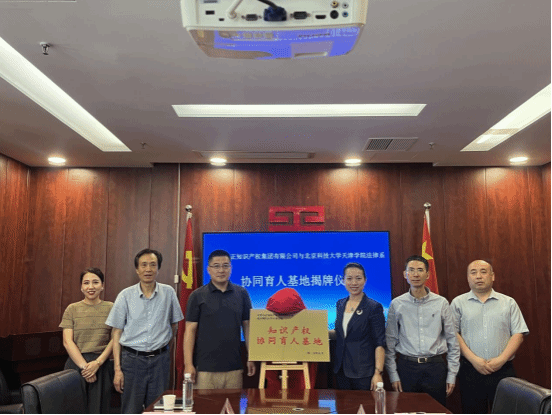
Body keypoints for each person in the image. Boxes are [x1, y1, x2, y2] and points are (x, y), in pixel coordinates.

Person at [105, 249, 184, 414]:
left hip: (160, 361)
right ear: (137, 269)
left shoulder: (169, 293)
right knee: (130, 409)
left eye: (153, 265)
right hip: (132, 361)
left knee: (159, 409)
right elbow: (116, 332)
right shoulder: (125, 296)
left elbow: (174, 326)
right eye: (144, 265)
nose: (148, 269)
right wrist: (118, 369)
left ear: (158, 268)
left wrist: (162, 347)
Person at [451, 260, 529, 414]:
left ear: (492, 276)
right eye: (473, 272)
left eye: (483, 272)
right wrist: (474, 360)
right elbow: (453, 334)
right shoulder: (458, 303)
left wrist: (501, 360)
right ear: (468, 278)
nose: (478, 276)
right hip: (470, 370)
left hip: (503, 370)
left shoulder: (508, 302)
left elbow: (518, 334)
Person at [385, 255, 460, 407]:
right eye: (411, 270)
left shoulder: (441, 303)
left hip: (435, 367)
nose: (416, 274)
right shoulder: (397, 304)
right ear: (405, 274)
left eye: (420, 270)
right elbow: (390, 341)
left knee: (435, 410)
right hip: (407, 367)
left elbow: (453, 341)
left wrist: (452, 374)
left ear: (428, 274)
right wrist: (393, 374)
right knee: (408, 410)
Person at [184, 249, 256, 389]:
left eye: (225, 266)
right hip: (205, 369)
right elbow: (190, 331)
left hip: (234, 367)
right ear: (209, 269)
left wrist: (251, 356)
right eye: (216, 266)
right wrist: (188, 364)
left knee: (233, 403)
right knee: (205, 403)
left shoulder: (241, 293)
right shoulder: (197, 296)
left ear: (231, 268)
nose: (221, 270)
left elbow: (247, 327)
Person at [60, 268, 114, 414]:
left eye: (95, 282)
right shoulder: (72, 309)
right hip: (76, 364)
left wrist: (97, 363)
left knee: (99, 409)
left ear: (102, 286)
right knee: (74, 408)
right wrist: (86, 368)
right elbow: (67, 342)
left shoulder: (111, 308)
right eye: (86, 283)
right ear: (81, 287)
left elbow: (115, 339)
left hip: (101, 365)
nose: (91, 287)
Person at [330, 262, 386, 390]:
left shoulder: (373, 307)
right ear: (343, 281)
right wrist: (320, 332)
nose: (354, 283)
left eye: (358, 278)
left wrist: (378, 373)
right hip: (341, 369)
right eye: (349, 278)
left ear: (365, 280)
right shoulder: (340, 304)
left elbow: (380, 342)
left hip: (363, 372)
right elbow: (340, 333)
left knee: (364, 403)